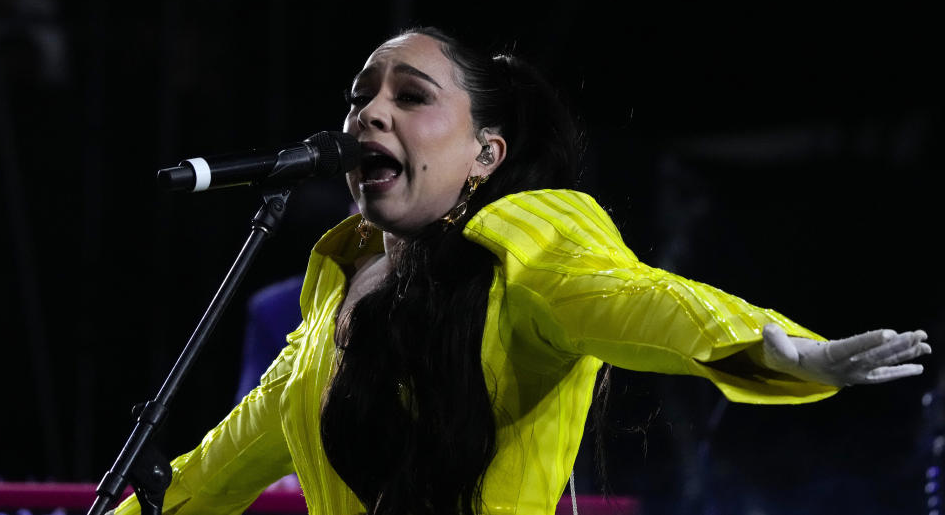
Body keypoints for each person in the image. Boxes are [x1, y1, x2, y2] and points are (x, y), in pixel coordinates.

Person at [112, 27, 931, 515]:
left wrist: (774, 343)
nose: (370, 113)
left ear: (484, 156)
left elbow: (643, 300)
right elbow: (200, 480)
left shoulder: (526, 249)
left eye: (412, 95)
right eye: (361, 96)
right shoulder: (330, 306)